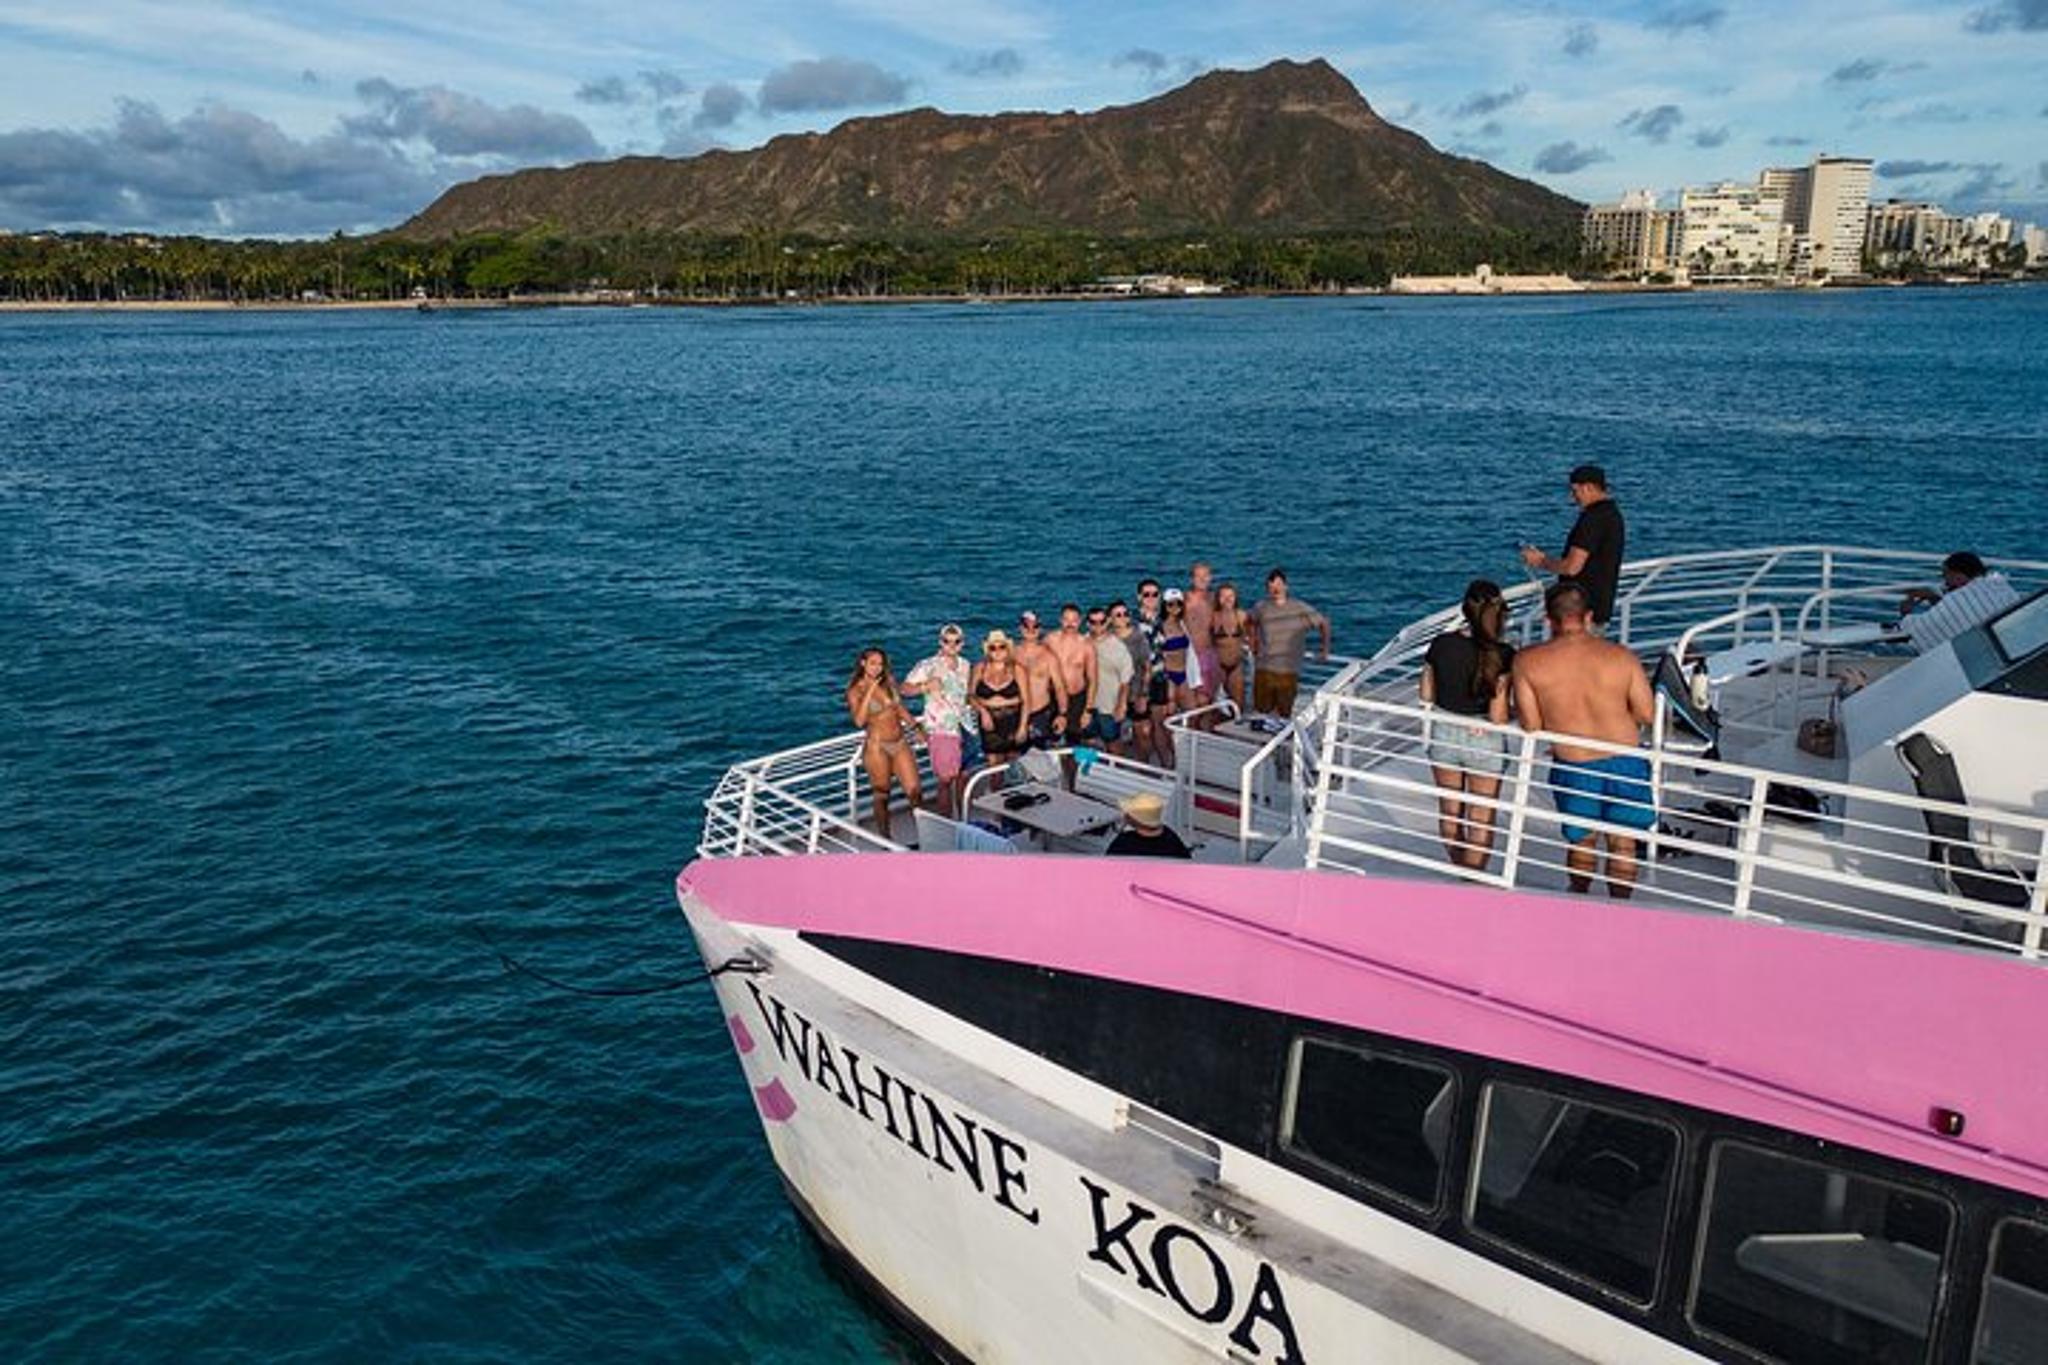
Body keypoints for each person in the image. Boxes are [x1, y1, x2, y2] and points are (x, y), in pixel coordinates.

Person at [1513, 581, 1656, 898]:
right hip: (1625, 757)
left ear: (1548, 620)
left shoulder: (1527, 662)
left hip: (1574, 763)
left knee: (1581, 840)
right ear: (1589, 617)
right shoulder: (1621, 657)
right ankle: (1620, 905)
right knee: (1623, 841)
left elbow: (1532, 724)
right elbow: (1646, 713)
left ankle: (1579, 899)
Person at [1420, 581, 1516, 871]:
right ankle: (1471, 878)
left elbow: (1426, 693)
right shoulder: (1504, 654)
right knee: (1481, 817)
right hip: (1484, 737)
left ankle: (1459, 868)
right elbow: (1498, 716)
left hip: (1444, 731)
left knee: (1450, 812)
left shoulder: (1441, 644)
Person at [1520, 464, 1625, 629]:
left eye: (1575, 491)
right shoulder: (1612, 514)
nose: (1573, 497)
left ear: (1588, 488)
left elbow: (1572, 567)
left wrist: (1540, 561)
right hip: (1598, 606)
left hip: (1581, 611)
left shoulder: (1592, 520)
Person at [845, 647, 921, 841]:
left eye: (880, 664)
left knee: (914, 791)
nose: (877, 668)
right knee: (882, 795)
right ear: (863, 663)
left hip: (899, 742)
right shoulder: (856, 690)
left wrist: (918, 728)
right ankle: (885, 839)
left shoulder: (889, 682)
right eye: (873, 663)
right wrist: (870, 690)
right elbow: (859, 721)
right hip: (877, 747)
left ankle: (925, 833)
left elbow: (900, 709)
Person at [902, 623, 975, 817]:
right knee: (945, 781)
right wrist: (925, 686)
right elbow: (905, 689)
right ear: (940, 642)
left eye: (956, 642)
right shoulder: (927, 665)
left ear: (962, 644)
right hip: (942, 730)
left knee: (963, 778)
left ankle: (963, 821)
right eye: (947, 641)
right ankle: (948, 826)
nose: (951, 645)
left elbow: (966, 695)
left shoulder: (966, 665)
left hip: (966, 727)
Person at [1898, 550, 2024, 651]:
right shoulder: (1999, 586)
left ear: (1958, 577)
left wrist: (1906, 612)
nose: (1944, 581)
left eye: (1945, 575)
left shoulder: (1956, 600)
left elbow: (1915, 631)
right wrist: (1936, 600)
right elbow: (1961, 614)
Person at [1246, 568, 1331, 716]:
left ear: (1286, 586)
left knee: (1284, 712)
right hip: (1263, 668)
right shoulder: (1261, 607)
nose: (1276, 588)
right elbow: (1249, 622)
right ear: (1267, 588)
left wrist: (1324, 649)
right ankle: (1260, 739)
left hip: (1288, 670)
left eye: (1279, 584)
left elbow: (1324, 623)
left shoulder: (1299, 607)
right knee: (1261, 711)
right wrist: (1253, 640)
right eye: (1271, 585)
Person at [1012, 609, 1071, 750]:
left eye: (1035, 626)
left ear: (1040, 629)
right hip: (1015, 715)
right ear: (1020, 628)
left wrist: (1062, 714)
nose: (1031, 630)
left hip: (1041, 714)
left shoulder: (1048, 656)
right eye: (1027, 626)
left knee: (1044, 759)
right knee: (1013, 758)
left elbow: (1060, 687)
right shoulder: (1011, 654)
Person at [970, 630, 1029, 766]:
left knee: (1013, 766)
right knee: (994, 768)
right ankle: (996, 788)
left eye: (1001, 647)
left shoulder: (1017, 670)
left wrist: (1023, 727)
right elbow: (970, 696)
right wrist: (983, 711)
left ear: (1007, 649)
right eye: (993, 648)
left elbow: (1026, 701)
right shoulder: (979, 668)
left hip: (1013, 722)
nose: (997, 651)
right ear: (988, 651)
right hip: (989, 724)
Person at [1108, 600, 1155, 763]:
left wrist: (1144, 694)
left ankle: (1144, 765)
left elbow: (1147, 668)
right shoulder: (1106, 639)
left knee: (1142, 733)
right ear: (1111, 619)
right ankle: (1118, 770)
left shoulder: (1138, 637)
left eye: (1125, 614)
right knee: (1114, 737)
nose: (1122, 618)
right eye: (1118, 615)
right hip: (1113, 696)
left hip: (1135, 692)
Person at [1134, 578, 1175, 764]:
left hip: (1159, 679)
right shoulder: (1132, 623)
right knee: (1142, 730)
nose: (1151, 598)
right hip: (1139, 682)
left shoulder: (1162, 621)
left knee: (1160, 725)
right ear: (1139, 597)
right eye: (1146, 594)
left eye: (1155, 594)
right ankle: (1142, 768)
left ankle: (1164, 764)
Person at [1046, 602, 1096, 748]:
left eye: (1074, 620)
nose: (1070, 624)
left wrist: (1088, 710)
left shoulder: (1086, 646)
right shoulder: (1050, 640)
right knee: (1053, 740)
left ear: (1080, 622)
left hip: (1077, 699)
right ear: (1060, 620)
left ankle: (1072, 771)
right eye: (1066, 620)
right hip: (1053, 698)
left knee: (1074, 743)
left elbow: (1093, 679)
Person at [1086, 605, 1134, 754]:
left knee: (1113, 745)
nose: (1098, 626)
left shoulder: (1117, 647)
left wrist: (1121, 705)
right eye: (1094, 622)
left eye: (1101, 622)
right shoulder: (1083, 642)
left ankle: (1118, 773)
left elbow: (1125, 681)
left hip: (1109, 706)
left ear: (1107, 622)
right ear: (1087, 624)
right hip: (1087, 705)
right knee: (1089, 742)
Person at [1104, 792, 1192, 859]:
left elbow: (1108, 864)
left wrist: (1124, 825)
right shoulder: (1171, 837)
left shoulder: (1124, 843)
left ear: (1135, 819)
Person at [1209, 581, 1251, 714]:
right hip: (1218, 666)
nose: (1227, 600)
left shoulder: (1242, 616)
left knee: (1238, 705)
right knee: (1213, 705)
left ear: (1236, 598)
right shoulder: (1213, 617)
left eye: (1231, 596)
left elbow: (1254, 638)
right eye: (1224, 596)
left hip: (1236, 666)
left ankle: (1235, 730)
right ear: (1218, 599)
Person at [1184, 561, 1218, 719]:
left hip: (1212, 654)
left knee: (1211, 699)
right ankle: (1195, 737)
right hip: (1194, 656)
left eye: (1206, 575)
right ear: (1192, 578)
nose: (1203, 579)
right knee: (1198, 702)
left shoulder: (1214, 598)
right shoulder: (1186, 600)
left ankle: (1207, 735)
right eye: (1198, 576)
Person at [1157, 589, 1199, 713]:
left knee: (1193, 710)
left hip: (1184, 674)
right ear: (1164, 606)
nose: (1175, 607)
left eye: (1178, 603)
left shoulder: (1183, 624)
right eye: (1170, 604)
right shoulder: (1160, 627)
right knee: (1170, 713)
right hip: (1169, 676)